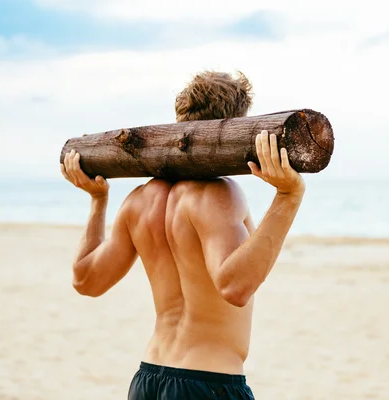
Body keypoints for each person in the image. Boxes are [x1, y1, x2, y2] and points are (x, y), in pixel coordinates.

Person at [60, 71, 306, 399]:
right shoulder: (218, 196)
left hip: (148, 379)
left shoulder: (139, 201)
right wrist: (288, 196)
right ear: (234, 128)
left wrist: (98, 200)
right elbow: (234, 286)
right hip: (207, 383)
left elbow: (86, 280)